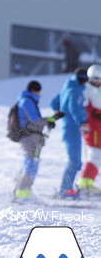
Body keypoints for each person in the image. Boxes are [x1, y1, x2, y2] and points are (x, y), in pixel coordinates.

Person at [13, 81, 56, 201]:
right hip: (29, 136)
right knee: (31, 163)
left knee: (30, 162)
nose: (40, 94)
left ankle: (21, 191)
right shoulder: (27, 101)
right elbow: (33, 119)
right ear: (34, 90)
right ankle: (22, 193)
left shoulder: (27, 100)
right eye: (38, 91)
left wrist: (49, 120)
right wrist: (47, 121)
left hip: (31, 136)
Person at [51, 67, 89, 199]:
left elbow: (54, 102)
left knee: (75, 160)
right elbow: (74, 108)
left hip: (68, 127)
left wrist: (60, 111)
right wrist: (82, 122)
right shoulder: (76, 90)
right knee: (75, 161)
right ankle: (65, 190)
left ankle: (66, 188)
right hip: (72, 128)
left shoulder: (68, 86)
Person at [78, 64, 101, 195]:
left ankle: (88, 182)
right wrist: (94, 114)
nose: (97, 82)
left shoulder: (97, 89)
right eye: (95, 79)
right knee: (95, 155)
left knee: (98, 156)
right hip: (93, 128)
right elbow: (84, 108)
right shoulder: (86, 89)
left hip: (99, 127)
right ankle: (85, 183)